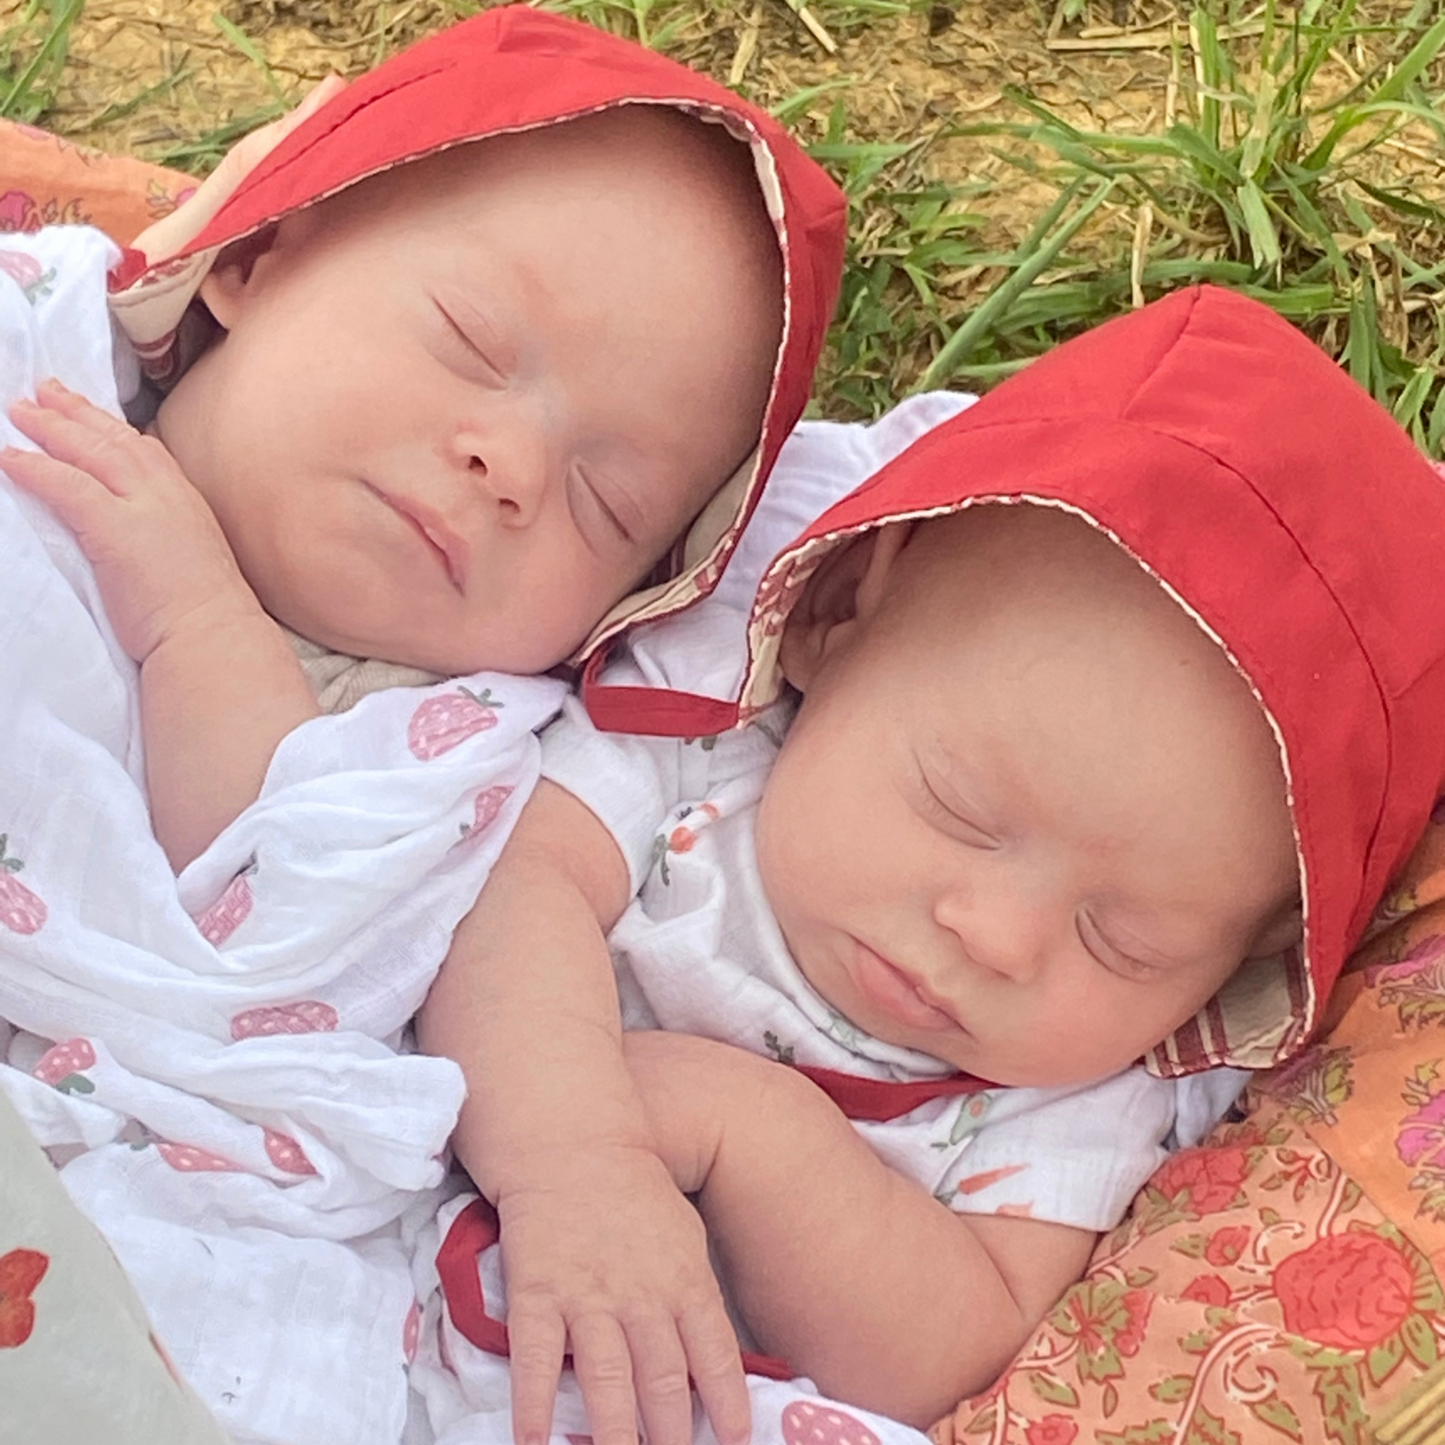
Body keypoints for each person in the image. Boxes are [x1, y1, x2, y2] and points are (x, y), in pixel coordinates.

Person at [418, 285, 1445, 1445]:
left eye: (1124, 939)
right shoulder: (703, 758)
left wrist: (753, 1131)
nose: (995, 934)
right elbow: (502, 890)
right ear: (840, 617)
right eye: (956, 807)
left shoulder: (1071, 1096)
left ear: (1237, 966)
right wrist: (574, 1159)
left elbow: (954, 1348)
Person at [0, 6, 844, 874]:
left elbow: (265, 889)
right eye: (470, 339)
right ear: (254, 258)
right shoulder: (41, 352)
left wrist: (197, 616)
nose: (511, 466)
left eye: (607, 505)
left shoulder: (437, 744)